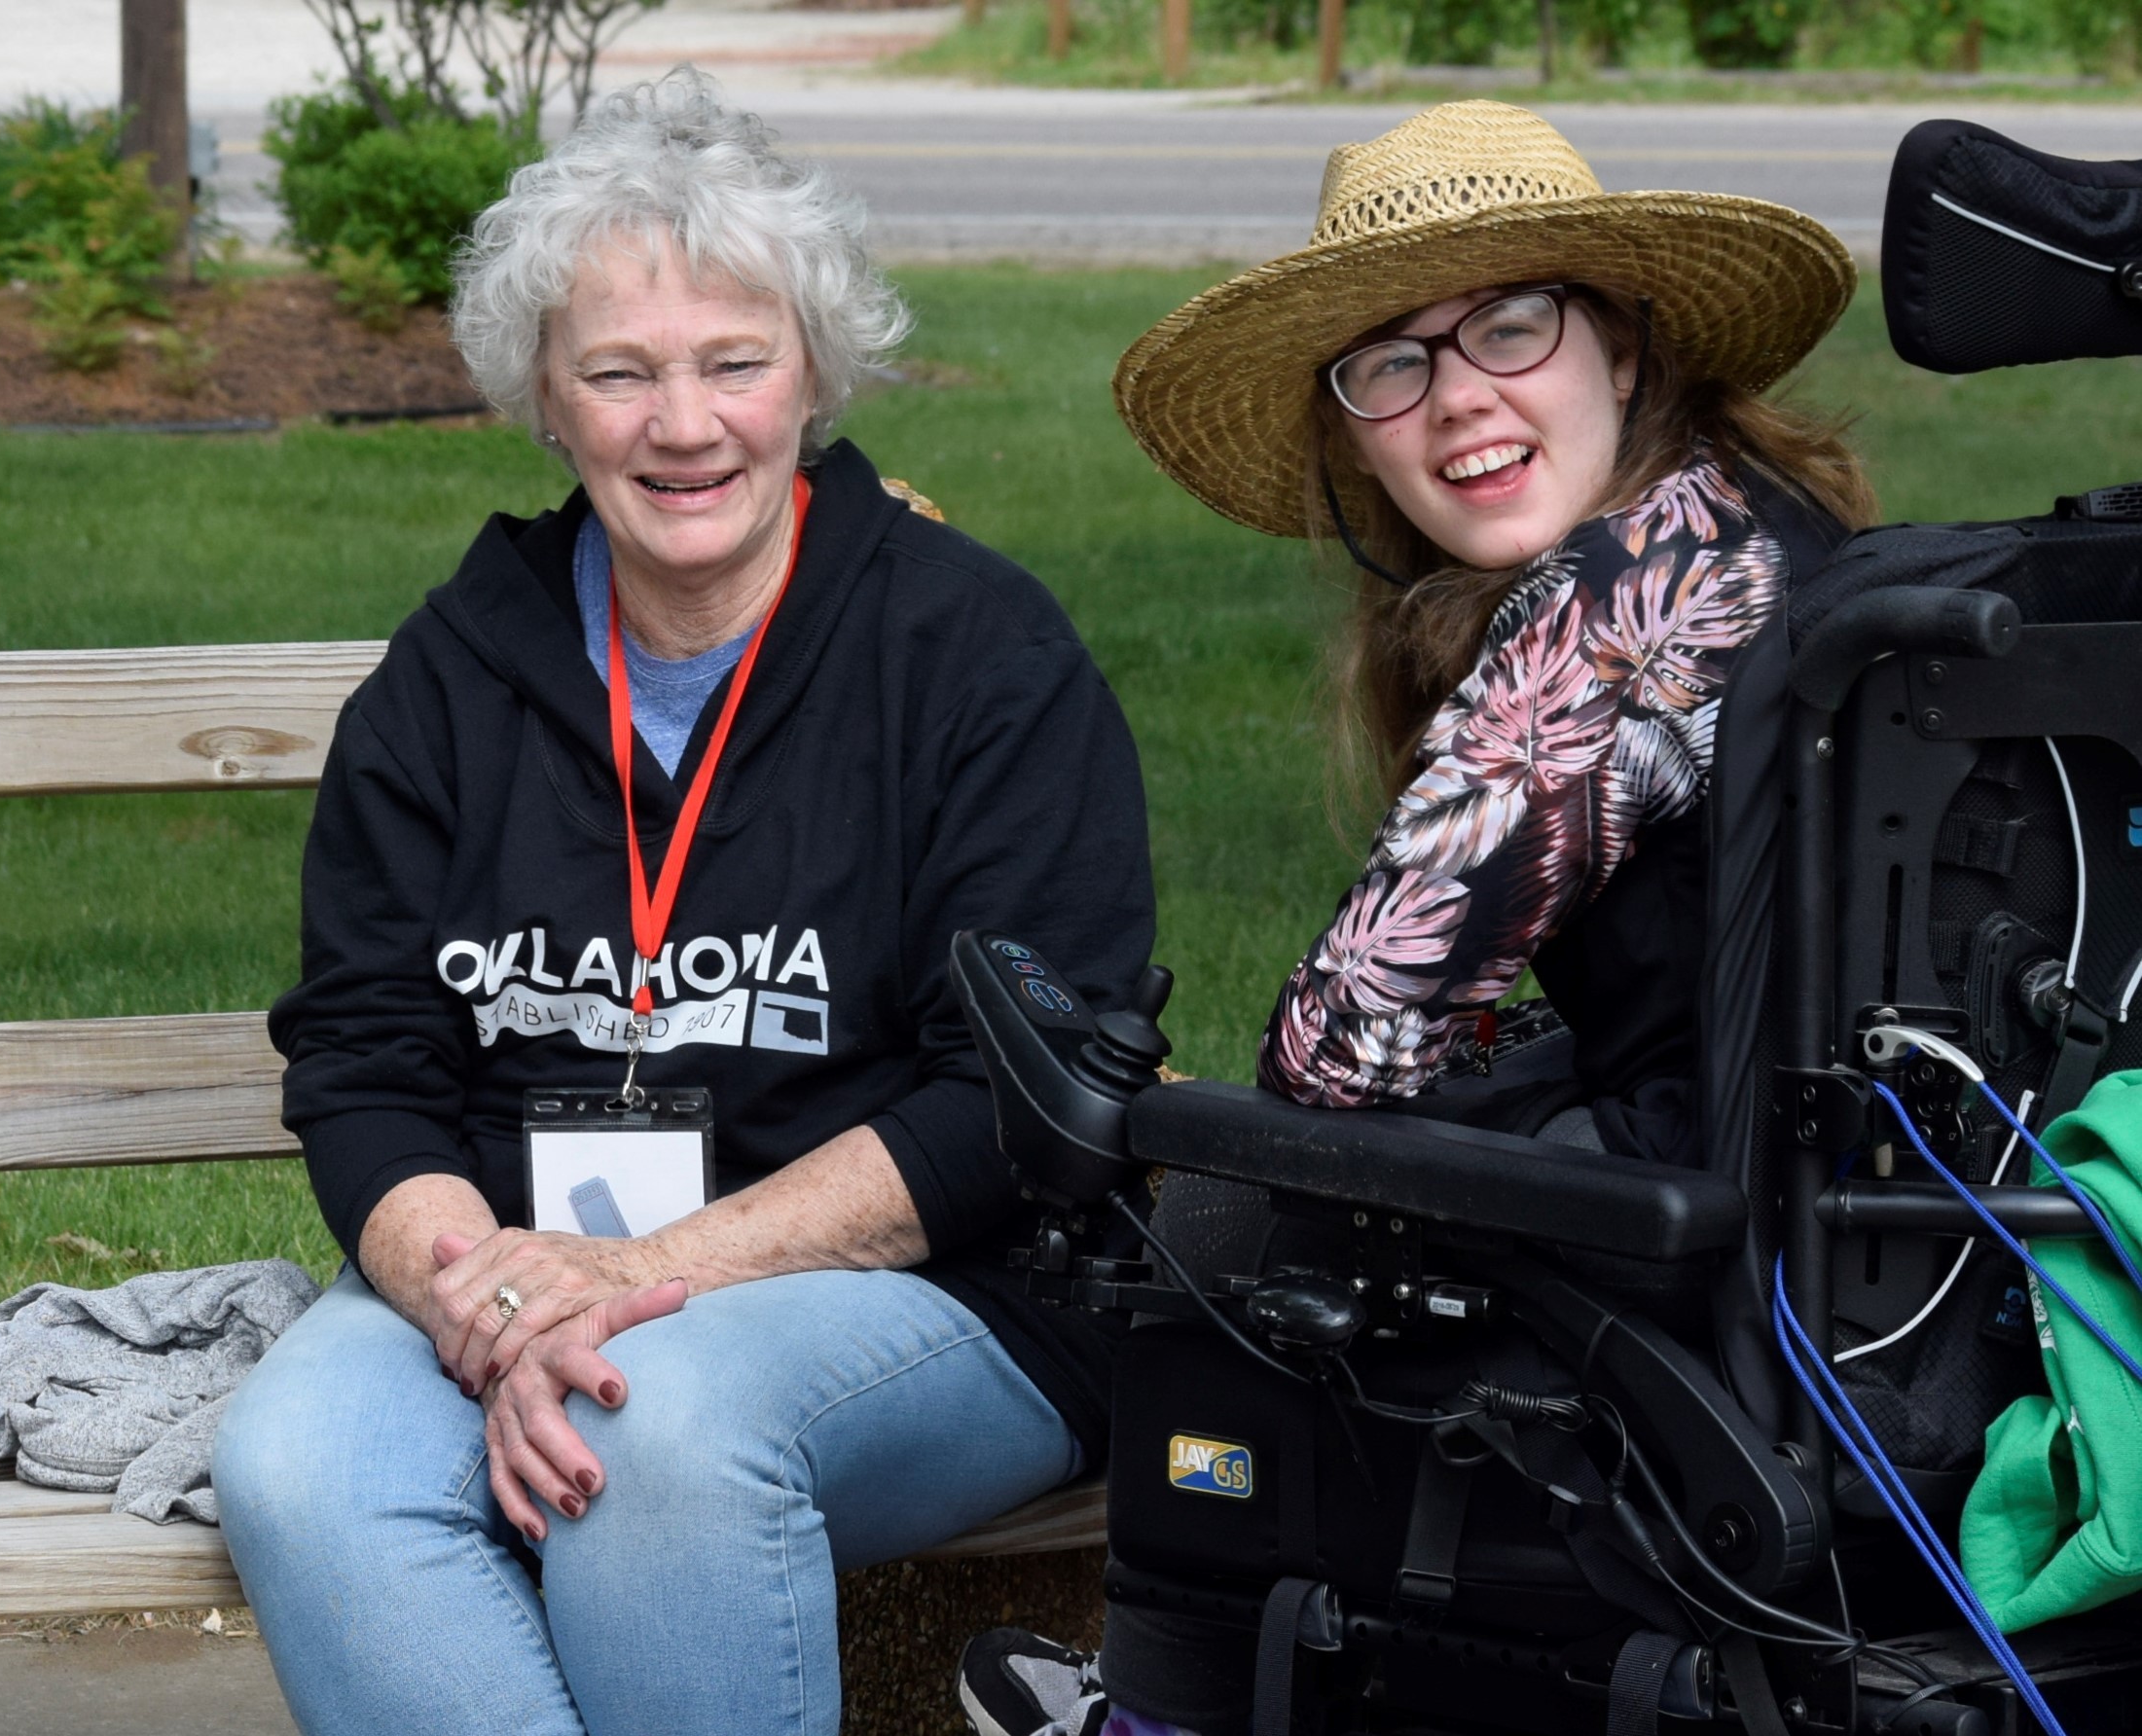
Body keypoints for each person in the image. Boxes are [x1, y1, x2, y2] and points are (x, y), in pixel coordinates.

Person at [211, 68, 1158, 1736]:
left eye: (735, 362)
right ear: (547, 403)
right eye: (619, 374)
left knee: (653, 1432)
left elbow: (1016, 1109)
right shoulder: (447, 681)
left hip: (942, 1296)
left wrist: (625, 1283)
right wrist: (487, 1298)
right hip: (512, 1278)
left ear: (813, 373)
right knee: (295, 1460)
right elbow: (362, 1061)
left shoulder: (976, 659)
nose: (684, 423)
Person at [954, 99, 1871, 1736]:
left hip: (1707, 1286)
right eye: (1388, 364)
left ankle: (1151, 1712)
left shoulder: (1614, 612)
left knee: (1215, 1209)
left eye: (1508, 326)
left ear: (1624, 344)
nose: (1456, 398)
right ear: (1351, 431)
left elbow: (1337, 1048)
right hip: (1886, 1271)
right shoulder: (1792, 547)